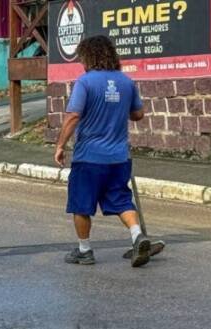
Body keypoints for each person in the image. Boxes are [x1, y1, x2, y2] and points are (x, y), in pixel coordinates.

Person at [54, 35, 160, 267]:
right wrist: (118, 108)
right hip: (119, 157)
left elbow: (73, 115)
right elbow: (138, 114)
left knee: (82, 204)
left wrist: (60, 145)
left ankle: (84, 250)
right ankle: (137, 236)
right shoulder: (126, 81)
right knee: (121, 200)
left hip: (89, 157)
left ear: (89, 57)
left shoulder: (85, 82)